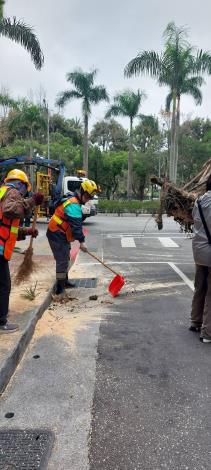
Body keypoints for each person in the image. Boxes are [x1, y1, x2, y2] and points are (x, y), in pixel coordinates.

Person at [0, 169, 44, 333]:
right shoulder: (13, 192)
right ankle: (1, 321)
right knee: (4, 286)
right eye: (26, 188)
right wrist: (32, 201)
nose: (25, 192)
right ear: (21, 184)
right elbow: (10, 211)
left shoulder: (2, 192)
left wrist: (27, 232)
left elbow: (7, 225)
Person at [47, 179, 99, 296]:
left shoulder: (74, 200)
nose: (88, 199)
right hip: (56, 233)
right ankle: (59, 289)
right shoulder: (74, 204)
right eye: (87, 196)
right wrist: (82, 242)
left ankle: (64, 282)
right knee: (62, 260)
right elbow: (76, 227)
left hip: (60, 233)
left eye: (90, 197)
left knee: (65, 257)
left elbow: (75, 225)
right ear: (81, 191)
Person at [190, 175, 211, 343]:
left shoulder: (198, 202)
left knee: (200, 287)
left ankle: (195, 321)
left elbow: (195, 222)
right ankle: (207, 332)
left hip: (198, 252)